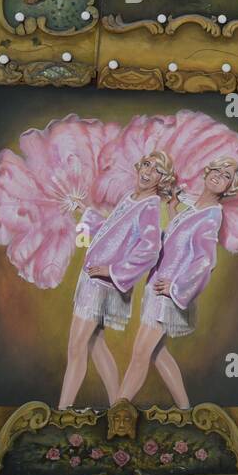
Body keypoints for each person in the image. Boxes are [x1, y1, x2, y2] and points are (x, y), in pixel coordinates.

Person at [118, 156, 238, 408]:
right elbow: (178, 241)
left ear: (230, 188)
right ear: (207, 173)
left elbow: (205, 261)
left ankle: (116, 411)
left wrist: (175, 286)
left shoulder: (211, 215)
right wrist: (173, 209)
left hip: (168, 294)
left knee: (140, 353)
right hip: (157, 289)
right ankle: (186, 410)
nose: (219, 175)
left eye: (227, 175)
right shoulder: (195, 208)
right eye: (216, 169)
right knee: (156, 352)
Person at [59, 152, 173, 409]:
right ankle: (116, 409)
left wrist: (111, 271)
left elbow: (150, 250)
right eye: (146, 164)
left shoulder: (150, 206)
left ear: (162, 179)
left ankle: (62, 411)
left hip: (103, 283)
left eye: (156, 170)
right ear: (138, 166)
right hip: (96, 280)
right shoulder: (132, 198)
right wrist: (84, 211)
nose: (148, 171)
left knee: (76, 345)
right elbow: (110, 230)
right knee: (93, 343)